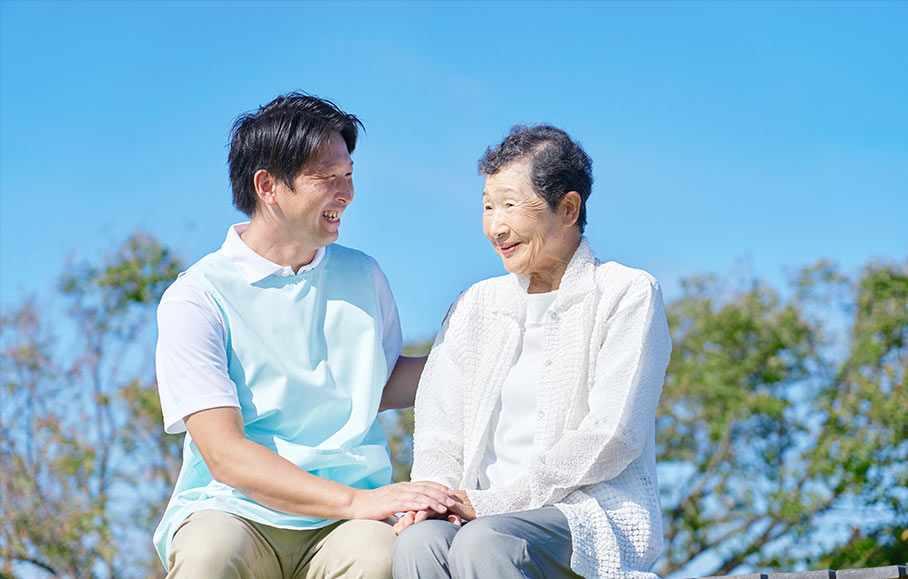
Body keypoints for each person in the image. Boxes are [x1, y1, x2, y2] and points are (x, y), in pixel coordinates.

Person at [152, 92, 455, 578]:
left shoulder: (365, 275)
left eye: (349, 175)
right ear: (268, 186)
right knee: (209, 555)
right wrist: (358, 500)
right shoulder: (195, 298)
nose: (346, 193)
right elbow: (226, 455)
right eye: (327, 178)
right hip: (235, 509)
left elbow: (383, 382)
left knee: (383, 557)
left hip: (344, 523)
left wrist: (480, 360)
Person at [392, 125, 672, 579]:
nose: (495, 226)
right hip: (473, 510)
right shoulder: (473, 305)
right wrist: (436, 499)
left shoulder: (627, 292)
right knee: (419, 543)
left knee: (487, 542)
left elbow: (613, 434)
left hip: (583, 514)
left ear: (567, 208)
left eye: (509, 205)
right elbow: (439, 429)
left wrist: (493, 504)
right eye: (487, 207)